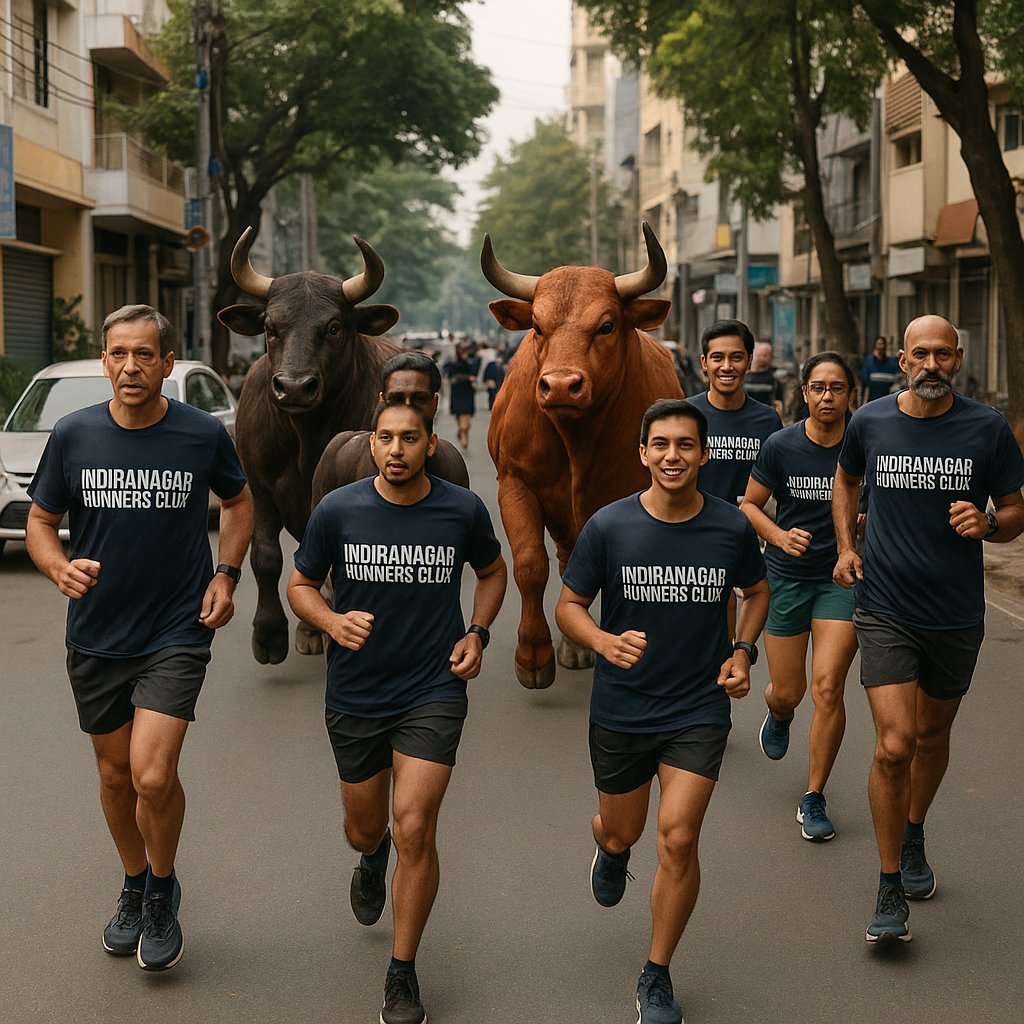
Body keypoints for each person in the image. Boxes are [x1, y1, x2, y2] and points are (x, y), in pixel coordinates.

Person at [25, 304, 253, 971]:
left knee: (154, 774)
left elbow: (238, 502)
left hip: (176, 627)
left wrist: (227, 575)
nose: (130, 366)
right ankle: (134, 881)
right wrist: (56, 565)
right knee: (114, 773)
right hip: (96, 629)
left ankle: (160, 888)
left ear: (167, 364)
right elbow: (41, 519)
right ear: (104, 361)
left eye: (144, 354)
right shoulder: (72, 435)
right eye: (118, 354)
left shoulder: (199, 434)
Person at [287, 400, 507, 1024]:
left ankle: (402, 972)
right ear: (373, 443)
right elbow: (299, 586)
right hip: (356, 692)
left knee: (416, 824)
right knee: (366, 827)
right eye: (385, 438)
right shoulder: (338, 509)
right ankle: (370, 854)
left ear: (429, 444)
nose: (396, 450)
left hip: (432, 690)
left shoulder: (460, 508)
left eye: (409, 439)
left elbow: (493, 573)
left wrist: (478, 633)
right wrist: (330, 619)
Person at [555, 399, 769, 1024]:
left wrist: (742, 650)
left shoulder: (731, 527)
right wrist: (601, 642)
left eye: (685, 445)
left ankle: (657, 973)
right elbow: (569, 605)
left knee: (677, 837)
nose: (672, 456)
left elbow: (756, 592)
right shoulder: (609, 526)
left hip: (697, 707)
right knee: (623, 828)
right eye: (661, 445)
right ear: (642, 453)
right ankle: (611, 848)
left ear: (704, 454)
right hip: (622, 708)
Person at [833, 314, 1024, 944]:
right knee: (894, 743)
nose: (933, 364)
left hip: (956, 611)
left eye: (944, 354)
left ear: (959, 357)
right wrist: (845, 544)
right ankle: (889, 883)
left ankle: (913, 831)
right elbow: (846, 479)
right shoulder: (871, 421)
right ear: (902, 358)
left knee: (933, 734)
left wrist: (991, 524)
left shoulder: (986, 428)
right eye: (921, 353)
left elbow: (1018, 507)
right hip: (885, 605)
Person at [741, 352, 859, 842]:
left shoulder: (868, 445)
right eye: (818, 387)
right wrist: (779, 535)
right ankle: (781, 711)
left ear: (850, 394)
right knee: (790, 690)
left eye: (836, 387)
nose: (827, 396)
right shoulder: (781, 445)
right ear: (804, 393)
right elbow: (749, 503)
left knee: (828, 687)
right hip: (786, 577)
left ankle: (813, 796)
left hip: (841, 581)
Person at [688, 319, 782, 636]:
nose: (726, 366)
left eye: (736, 357)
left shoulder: (767, 420)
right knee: (703, 633)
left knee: (741, 634)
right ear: (704, 362)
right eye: (717, 357)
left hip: (748, 539)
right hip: (694, 534)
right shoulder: (687, 417)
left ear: (750, 361)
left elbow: (782, 484)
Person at [311, 350, 469, 504]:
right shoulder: (339, 455)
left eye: (419, 398)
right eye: (396, 399)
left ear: (434, 404)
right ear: (382, 401)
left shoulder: (452, 466)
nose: (407, 408)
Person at [445, 341, 481, 448]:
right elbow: (451, 377)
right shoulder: (452, 363)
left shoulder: (471, 362)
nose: (465, 354)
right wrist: (466, 377)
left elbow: (474, 373)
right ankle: (463, 434)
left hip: (467, 391)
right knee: (459, 414)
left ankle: (463, 433)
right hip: (457, 391)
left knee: (467, 421)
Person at [743, 341, 784, 417]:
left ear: (770, 357)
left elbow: (779, 402)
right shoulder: (744, 377)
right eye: (759, 355)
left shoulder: (776, 378)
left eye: (765, 356)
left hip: (766, 417)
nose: (761, 358)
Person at [859, 335, 902, 403]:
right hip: (872, 402)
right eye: (879, 344)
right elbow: (863, 385)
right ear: (875, 346)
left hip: (888, 403)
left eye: (883, 344)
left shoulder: (892, 364)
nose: (881, 347)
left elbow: (899, 384)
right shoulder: (869, 363)